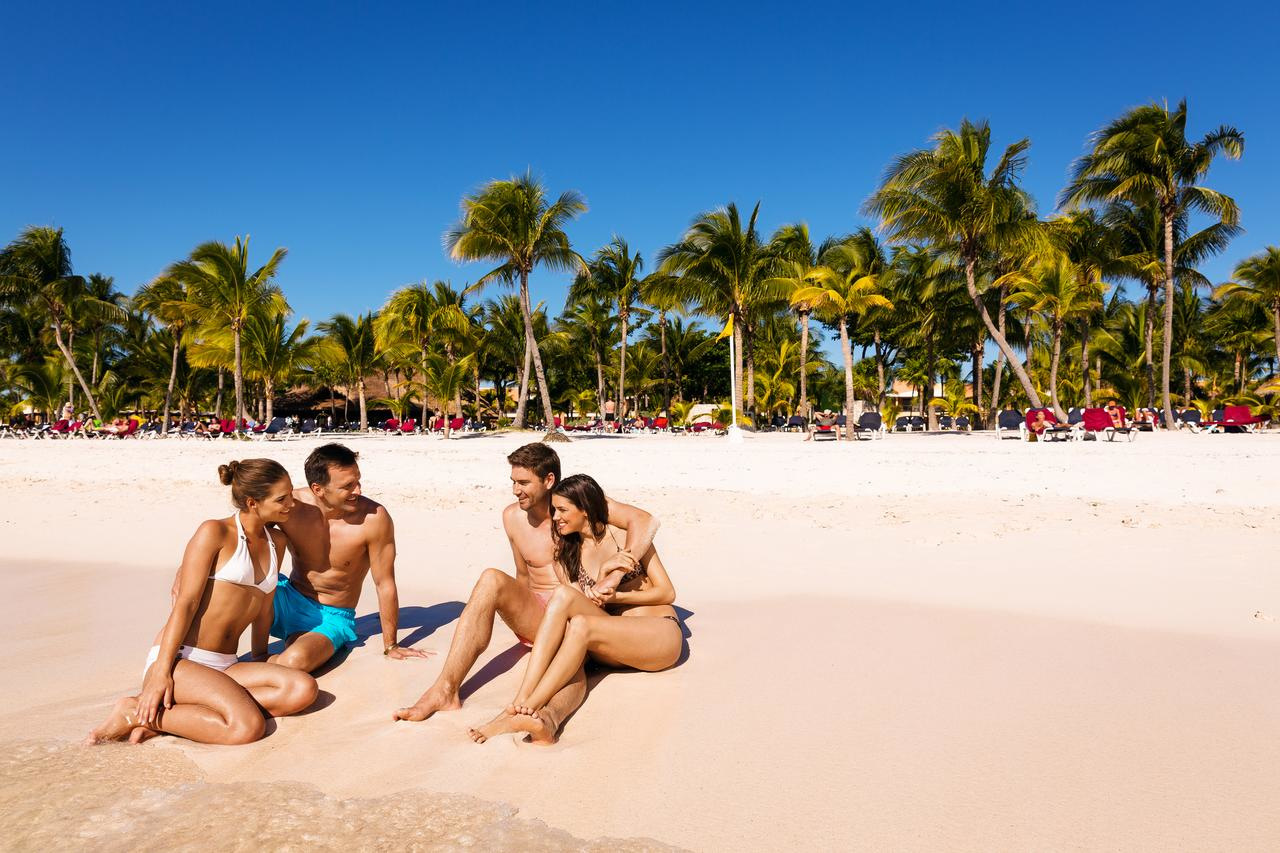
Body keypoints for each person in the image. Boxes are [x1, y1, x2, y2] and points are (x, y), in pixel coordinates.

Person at [393, 442, 659, 743]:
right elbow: (522, 575)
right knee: (491, 578)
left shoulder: (579, 505)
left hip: (578, 608)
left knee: (574, 649)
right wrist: (524, 617)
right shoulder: (512, 518)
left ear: (548, 481)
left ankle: (547, 719)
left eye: (523, 483)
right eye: (513, 482)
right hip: (539, 612)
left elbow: (645, 520)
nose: (515, 490)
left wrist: (620, 571)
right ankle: (445, 689)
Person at [86, 459, 318, 745]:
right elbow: (185, 603)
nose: (290, 504)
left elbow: (263, 608)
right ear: (252, 502)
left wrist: (259, 659)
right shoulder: (214, 532)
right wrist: (161, 671)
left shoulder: (277, 542)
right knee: (246, 728)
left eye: (290, 496)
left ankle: (179, 718)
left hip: (226, 662)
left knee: (301, 689)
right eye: (281, 499)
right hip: (183, 659)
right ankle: (135, 711)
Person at [467, 473, 681, 744]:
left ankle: (527, 706)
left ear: (585, 509)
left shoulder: (625, 539)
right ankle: (523, 702)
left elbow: (667, 592)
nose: (555, 517)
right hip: (612, 643)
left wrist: (615, 595)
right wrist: (601, 589)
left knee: (580, 623)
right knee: (565, 600)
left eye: (562, 510)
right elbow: (583, 606)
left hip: (657, 634)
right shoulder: (567, 554)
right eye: (554, 510)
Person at [269, 443, 430, 672]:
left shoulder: (374, 518)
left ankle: (248, 673)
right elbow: (246, 532)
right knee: (223, 592)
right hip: (286, 596)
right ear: (318, 489)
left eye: (358, 481)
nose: (358, 491)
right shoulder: (291, 506)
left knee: (295, 662)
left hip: (332, 615)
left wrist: (391, 644)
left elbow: (384, 582)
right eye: (348, 486)